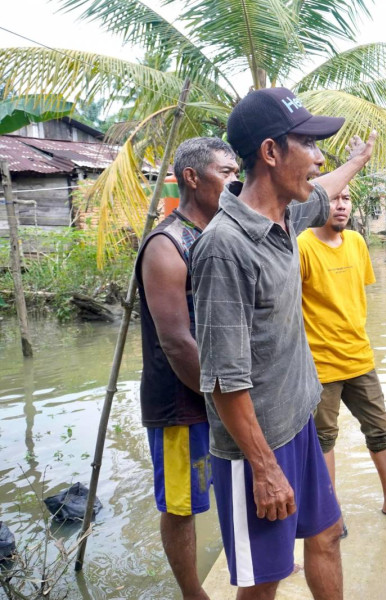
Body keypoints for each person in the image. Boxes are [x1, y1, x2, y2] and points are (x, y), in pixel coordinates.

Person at [192, 86, 376, 600]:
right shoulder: (225, 249)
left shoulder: (283, 215)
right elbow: (224, 380)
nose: (319, 158)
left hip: (297, 425)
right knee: (264, 580)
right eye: (308, 144)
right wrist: (264, 470)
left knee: (327, 536)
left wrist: (358, 160)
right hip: (257, 448)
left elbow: (325, 188)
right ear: (271, 153)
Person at [136, 137, 239, 600]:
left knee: (234, 485)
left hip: (223, 393)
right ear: (192, 179)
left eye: (238, 172)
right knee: (182, 504)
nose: (235, 181)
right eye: (225, 172)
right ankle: (193, 593)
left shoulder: (220, 233)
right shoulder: (166, 243)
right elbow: (178, 343)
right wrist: (224, 399)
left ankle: (252, 562)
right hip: (183, 401)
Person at [298, 185, 386, 527]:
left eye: (346, 199)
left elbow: (354, 300)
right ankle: (330, 514)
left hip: (359, 357)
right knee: (323, 438)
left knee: (379, 429)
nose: (341, 205)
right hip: (319, 364)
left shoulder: (358, 242)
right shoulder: (301, 245)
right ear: (315, 202)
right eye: (334, 198)